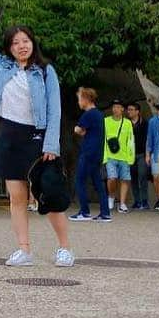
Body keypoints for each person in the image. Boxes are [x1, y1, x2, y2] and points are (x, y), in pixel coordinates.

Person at [0, 0, 73, 260]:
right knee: (16, 197)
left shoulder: (45, 72)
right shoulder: (3, 66)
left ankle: (65, 248)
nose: (21, 46)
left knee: (49, 194)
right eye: (15, 42)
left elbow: (54, 110)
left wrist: (51, 144)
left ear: (32, 43)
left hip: (37, 137)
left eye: (25, 41)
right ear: (9, 48)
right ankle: (24, 249)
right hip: (10, 135)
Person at [69, 88, 110, 223]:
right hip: (98, 152)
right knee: (98, 182)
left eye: (80, 99)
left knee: (79, 180)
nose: (79, 102)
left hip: (88, 152)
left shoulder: (88, 114)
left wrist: (76, 129)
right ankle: (105, 213)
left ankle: (84, 211)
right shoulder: (99, 114)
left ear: (86, 100)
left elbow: (79, 129)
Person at [103, 97, 135, 213]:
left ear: (122, 109)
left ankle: (122, 203)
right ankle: (111, 196)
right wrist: (104, 156)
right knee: (112, 178)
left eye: (118, 107)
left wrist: (131, 157)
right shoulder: (106, 121)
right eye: (114, 107)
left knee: (125, 180)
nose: (115, 109)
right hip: (110, 156)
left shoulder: (127, 123)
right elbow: (103, 139)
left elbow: (131, 140)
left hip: (124, 156)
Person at [126, 101, 150, 209]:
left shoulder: (145, 123)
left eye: (131, 110)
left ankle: (144, 200)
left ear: (137, 111)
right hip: (130, 154)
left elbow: (148, 140)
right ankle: (137, 201)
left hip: (141, 153)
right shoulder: (126, 123)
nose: (129, 112)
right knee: (133, 177)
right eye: (128, 110)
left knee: (142, 175)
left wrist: (147, 154)